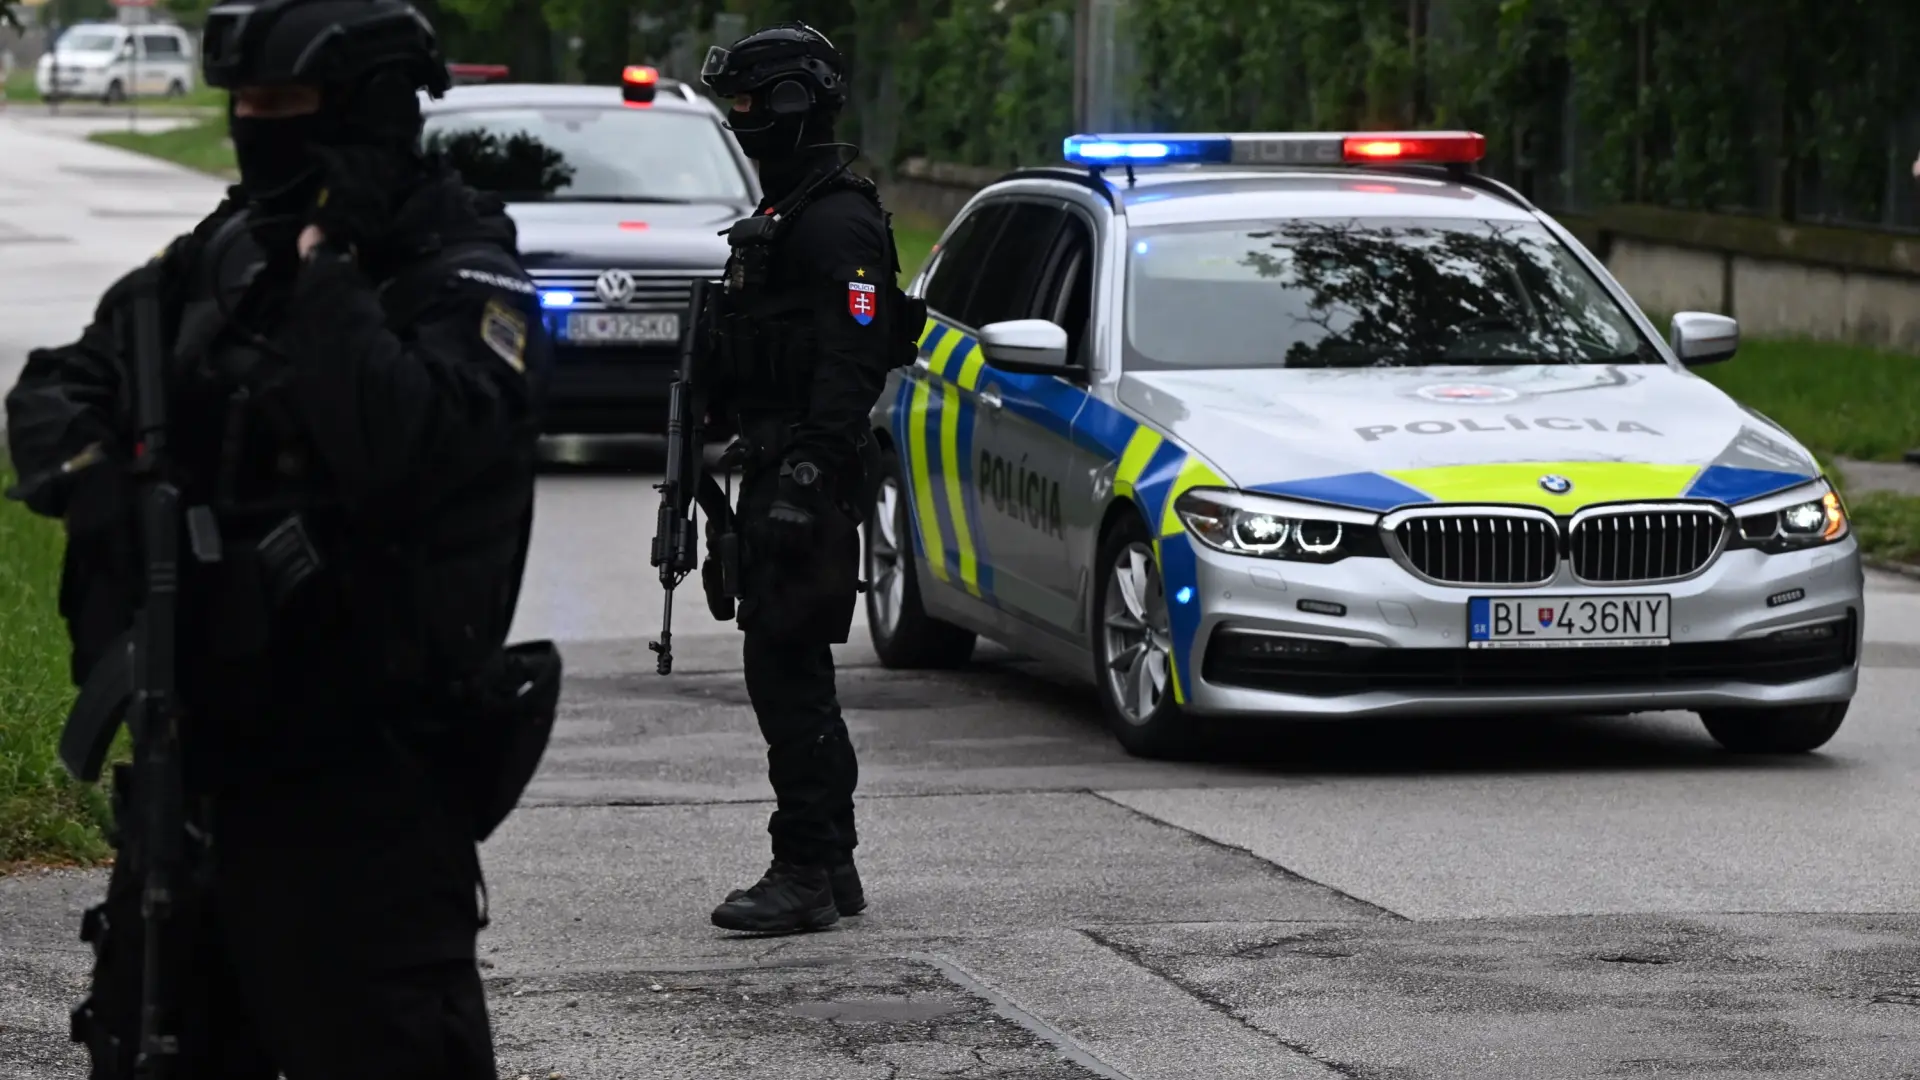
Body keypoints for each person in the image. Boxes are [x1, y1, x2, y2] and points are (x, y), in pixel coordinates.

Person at [3, 0, 556, 1074]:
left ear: (366, 114)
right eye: (244, 106)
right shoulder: (219, 262)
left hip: (368, 800)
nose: (258, 129)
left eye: (284, 105)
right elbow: (60, 381)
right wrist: (93, 477)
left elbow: (397, 440)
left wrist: (331, 272)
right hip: (198, 781)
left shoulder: (456, 276)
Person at [697, 21, 920, 934]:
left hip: (808, 478)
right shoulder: (791, 211)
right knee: (782, 666)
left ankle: (806, 868)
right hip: (781, 464)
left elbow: (855, 349)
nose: (740, 121)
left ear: (791, 105)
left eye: (749, 104)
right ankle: (832, 862)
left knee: (788, 673)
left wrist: (803, 468)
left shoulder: (836, 220)